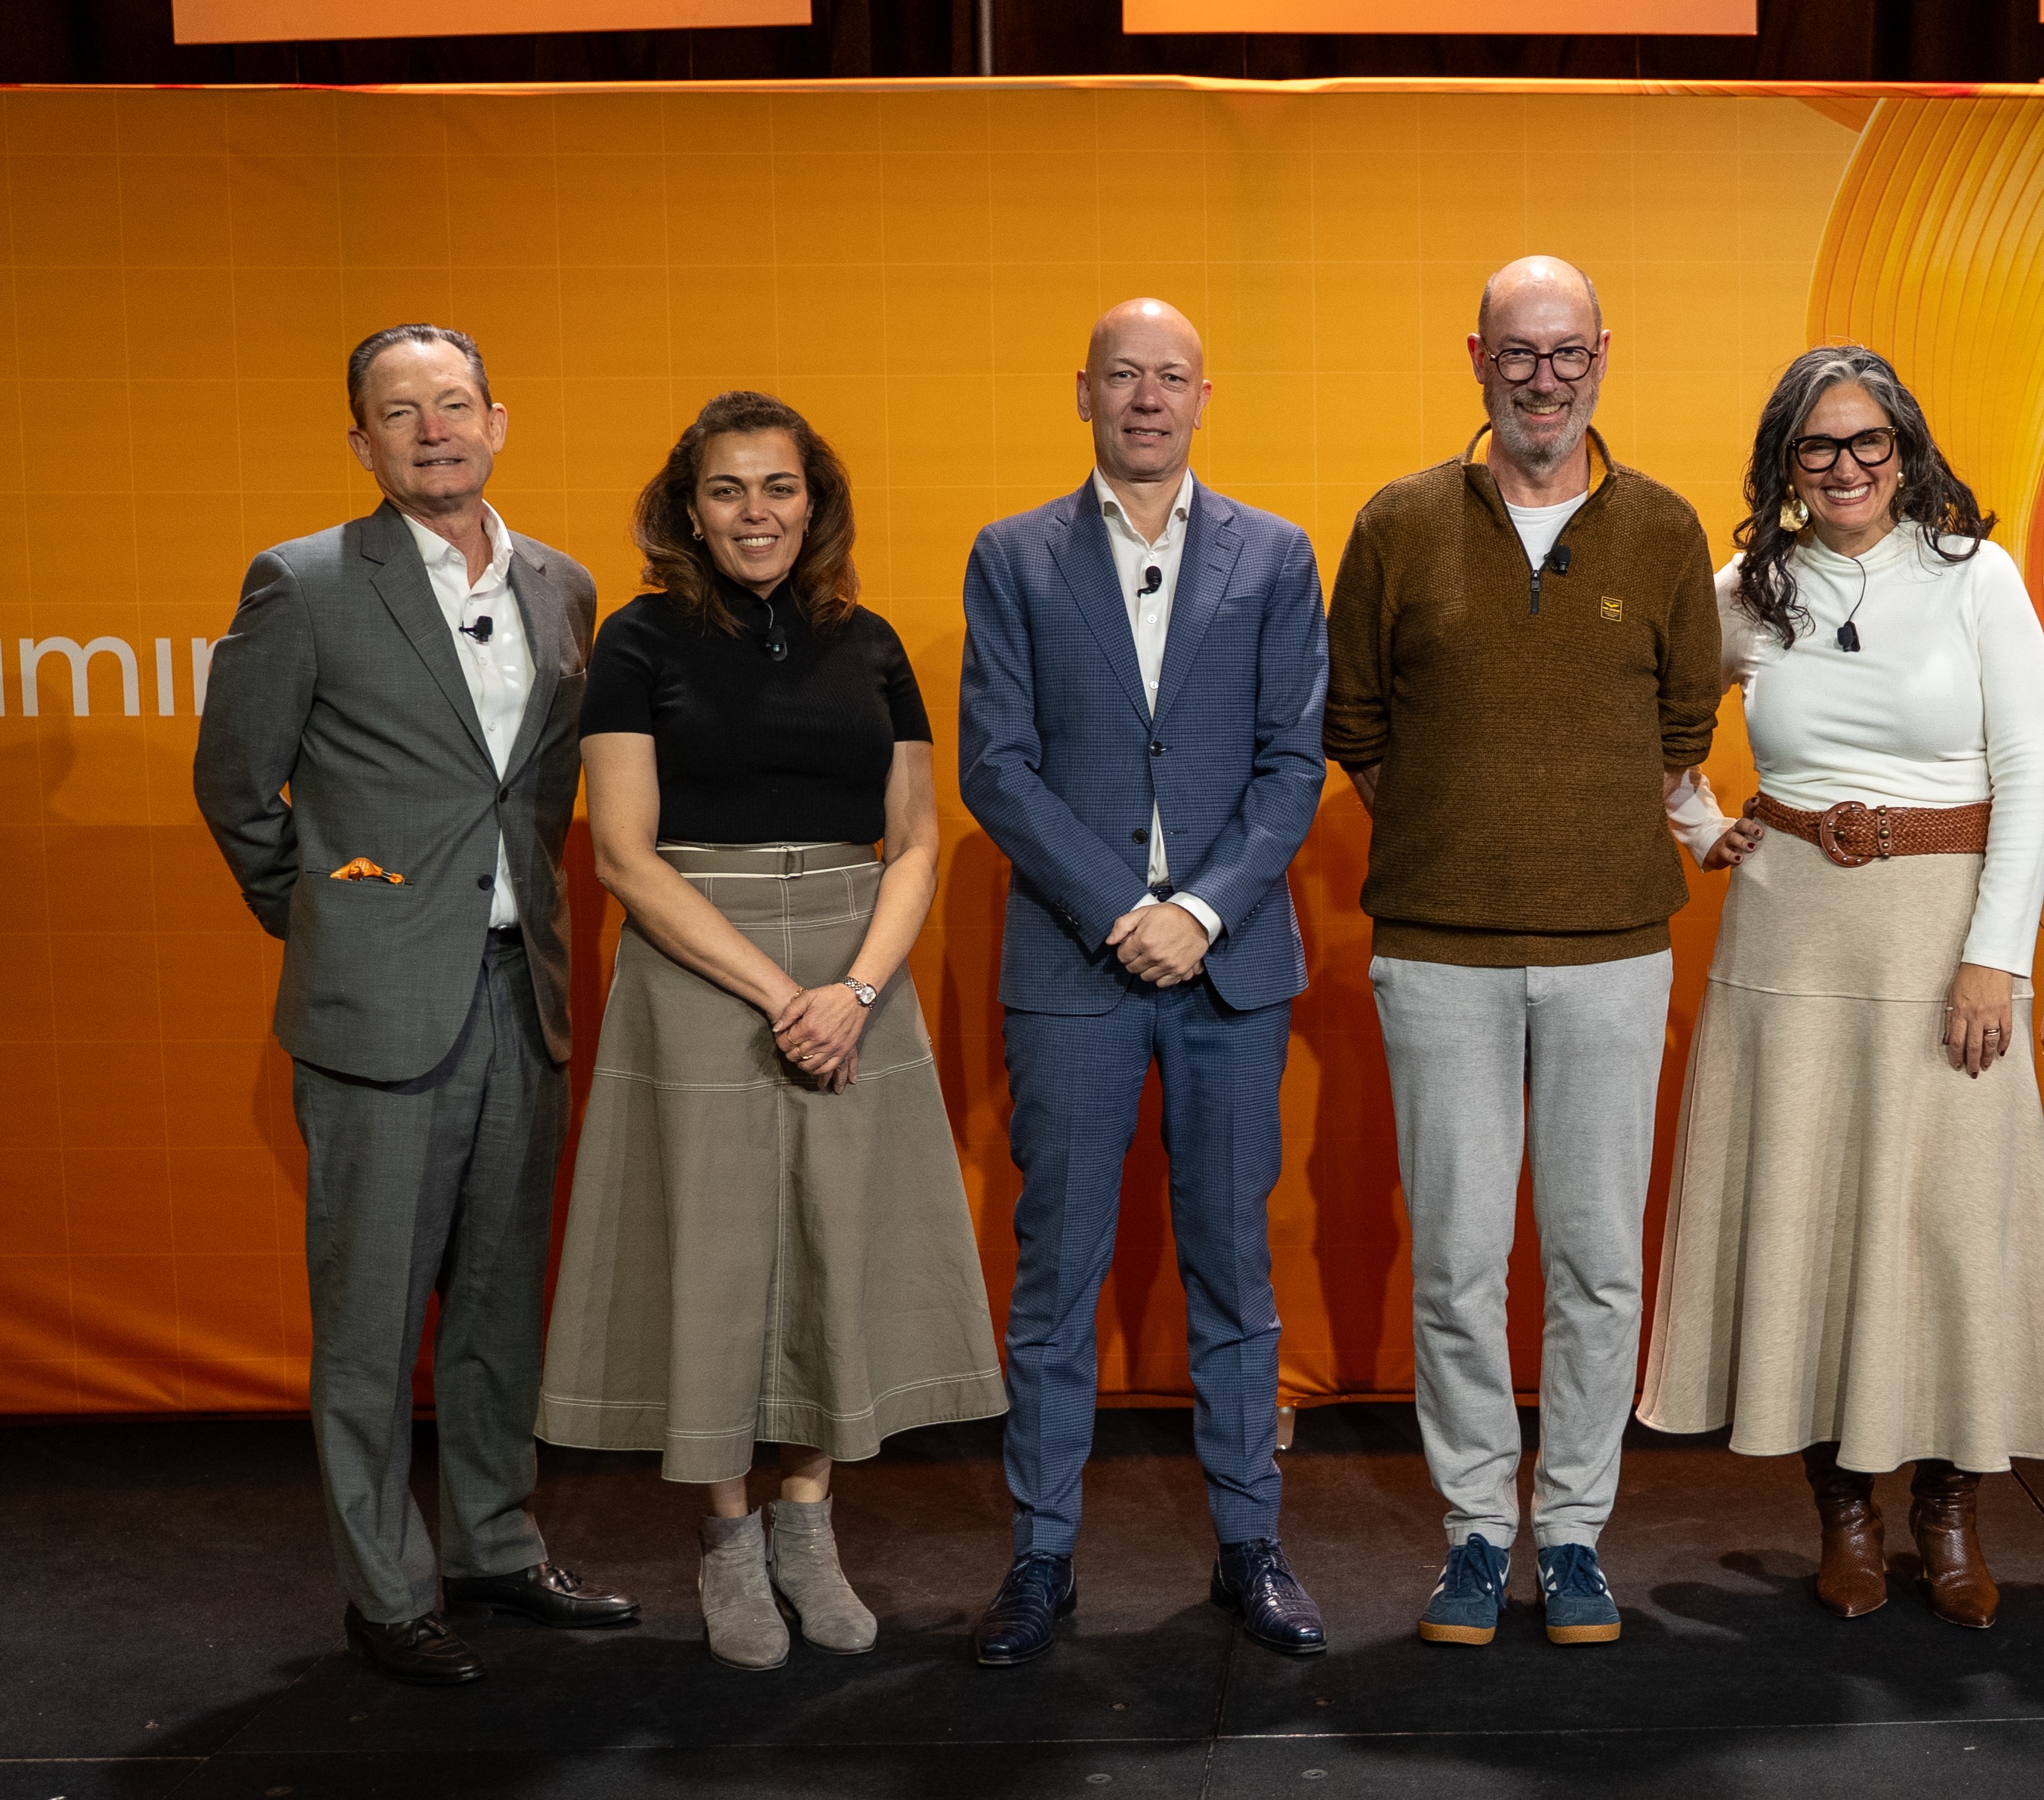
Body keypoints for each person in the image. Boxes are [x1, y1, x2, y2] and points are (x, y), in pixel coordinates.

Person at [193, 324, 637, 1686]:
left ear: (499, 419)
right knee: (374, 1317)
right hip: (377, 1013)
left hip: (529, 997)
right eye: (402, 413)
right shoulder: (306, 584)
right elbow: (235, 787)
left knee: (502, 1303)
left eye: (455, 405)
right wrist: (337, 924)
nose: (434, 431)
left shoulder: (568, 588)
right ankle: (386, 1596)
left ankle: (496, 1549)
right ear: (363, 443)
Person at [533, 390, 1006, 1671]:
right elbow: (627, 860)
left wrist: (849, 991)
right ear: (690, 510)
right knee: (723, 1263)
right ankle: (728, 1542)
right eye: (730, 491)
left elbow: (916, 842)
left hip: (857, 968)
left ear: (816, 500)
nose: (757, 514)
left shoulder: (874, 641)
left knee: (828, 1255)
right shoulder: (638, 641)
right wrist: (776, 992)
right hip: (703, 973)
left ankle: (809, 1528)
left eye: (779, 488)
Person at [1646, 347, 2044, 1629]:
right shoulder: (1746, 590)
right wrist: (1700, 821)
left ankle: (1949, 1515)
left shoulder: (1973, 578)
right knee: (1810, 1228)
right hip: (1788, 937)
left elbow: (2027, 775)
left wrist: (1993, 959)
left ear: (1909, 452)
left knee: (1948, 1227)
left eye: (1868, 444)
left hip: (1944, 939)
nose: (1845, 469)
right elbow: (1652, 715)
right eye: (1817, 448)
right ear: (1785, 464)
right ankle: (1843, 1513)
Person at [1325, 254, 1720, 1649]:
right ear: (1476, 357)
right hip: (1438, 959)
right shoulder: (1398, 523)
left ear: (1604, 353)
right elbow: (1358, 725)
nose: (1543, 377)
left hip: (1615, 952)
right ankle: (1476, 1533)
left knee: (1602, 1260)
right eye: (1518, 353)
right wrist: (1457, 841)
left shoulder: (1666, 531)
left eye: (1567, 353)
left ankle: (1574, 1534)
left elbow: (1684, 732)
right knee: (1456, 1263)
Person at [957, 299, 1331, 1666]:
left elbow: (1295, 763)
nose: (1149, 398)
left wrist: (1203, 912)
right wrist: (1128, 911)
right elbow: (995, 762)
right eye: (1126, 376)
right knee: (1058, 1275)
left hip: (1229, 972)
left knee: (1235, 1268)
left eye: (1172, 378)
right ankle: (1040, 1561)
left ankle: (1251, 1546)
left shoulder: (1277, 556)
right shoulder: (1013, 557)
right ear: (1085, 393)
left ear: (1203, 395)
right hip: (1076, 964)